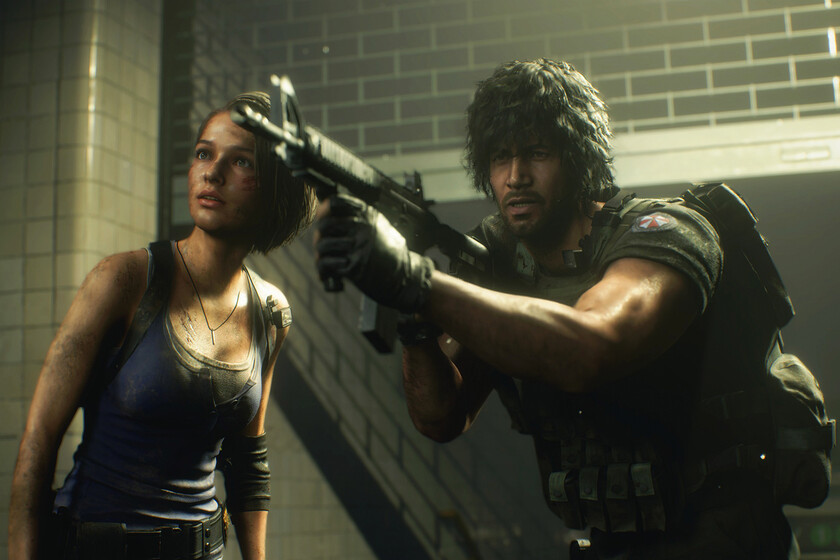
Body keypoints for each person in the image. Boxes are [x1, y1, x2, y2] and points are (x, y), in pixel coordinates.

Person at [314, 58, 804, 558]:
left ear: (578, 159)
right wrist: (414, 320)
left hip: (726, 539)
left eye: (537, 153)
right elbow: (440, 416)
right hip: (613, 541)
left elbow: (590, 348)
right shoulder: (500, 261)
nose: (516, 177)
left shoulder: (667, 232)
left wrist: (417, 282)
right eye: (500, 157)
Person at [9, 92, 313, 560]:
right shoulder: (123, 279)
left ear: (276, 187)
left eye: (241, 162)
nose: (212, 172)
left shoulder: (271, 311)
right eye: (204, 154)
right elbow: (39, 441)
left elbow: (248, 463)